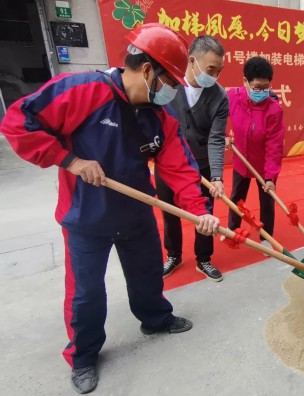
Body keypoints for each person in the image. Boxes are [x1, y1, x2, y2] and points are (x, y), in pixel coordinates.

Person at [0, 23, 221, 394]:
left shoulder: (159, 117)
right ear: (148, 70)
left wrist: (200, 211)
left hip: (136, 213)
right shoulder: (84, 90)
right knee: (87, 293)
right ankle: (84, 355)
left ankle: (154, 318)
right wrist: (70, 160)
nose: (173, 91)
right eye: (170, 79)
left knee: (148, 275)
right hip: (86, 217)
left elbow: (180, 168)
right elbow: (17, 123)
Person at [155, 35, 228, 281]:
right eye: (211, 69)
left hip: (202, 166)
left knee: (205, 214)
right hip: (168, 165)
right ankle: (173, 255)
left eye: (219, 70)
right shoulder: (166, 86)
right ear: (192, 61)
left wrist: (216, 176)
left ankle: (204, 258)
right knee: (170, 212)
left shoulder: (219, 96)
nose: (215, 76)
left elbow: (217, 138)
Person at [225, 57, 285, 247]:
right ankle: (232, 230)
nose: (262, 92)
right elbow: (217, 120)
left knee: (267, 200)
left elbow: (274, 146)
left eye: (266, 87)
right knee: (236, 197)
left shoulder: (274, 110)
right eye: (257, 87)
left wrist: (270, 177)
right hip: (241, 159)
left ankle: (266, 237)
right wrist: (223, 136)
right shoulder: (233, 97)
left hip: (264, 164)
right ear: (245, 82)